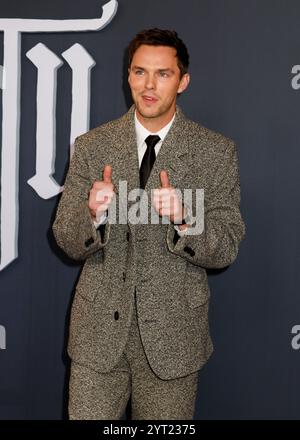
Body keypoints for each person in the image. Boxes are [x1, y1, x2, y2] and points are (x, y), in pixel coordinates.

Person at [53, 28, 245, 420]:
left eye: (163, 74)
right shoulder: (93, 146)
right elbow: (66, 239)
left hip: (173, 340)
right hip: (97, 337)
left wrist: (185, 218)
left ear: (183, 80)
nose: (149, 85)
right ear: (128, 76)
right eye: (140, 72)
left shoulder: (215, 152)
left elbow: (226, 247)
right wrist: (93, 215)